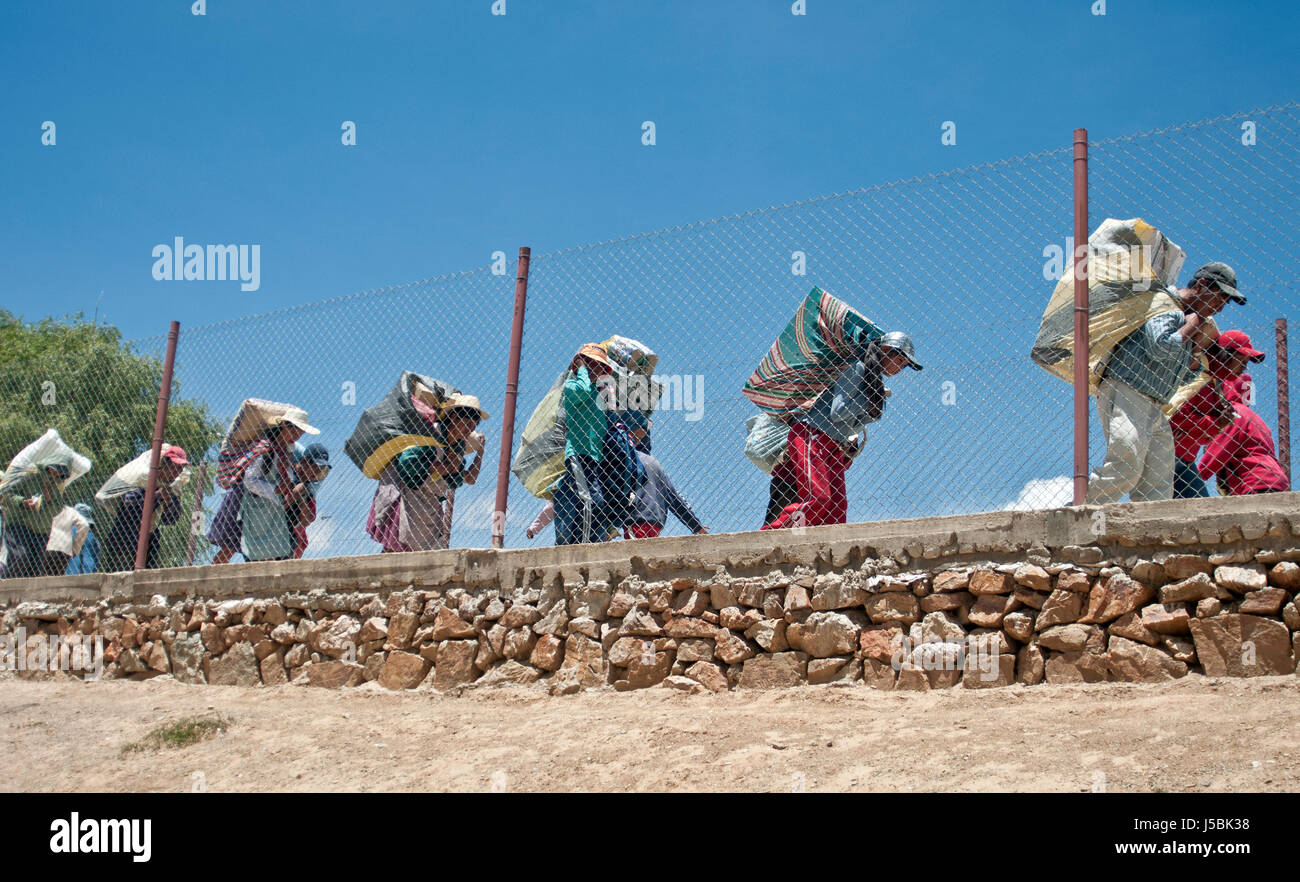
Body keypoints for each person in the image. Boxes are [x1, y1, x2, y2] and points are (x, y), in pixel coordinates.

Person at [1087, 262, 1244, 504]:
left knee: (1158, 480)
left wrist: (1194, 357)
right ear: (1202, 285)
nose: (1221, 306)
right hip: (1128, 390)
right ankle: (1080, 514)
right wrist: (1195, 322)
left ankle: (1148, 537)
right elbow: (1160, 347)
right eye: (1220, 297)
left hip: (1153, 401)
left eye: (1226, 301)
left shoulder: (1188, 318)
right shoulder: (1166, 304)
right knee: (1125, 463)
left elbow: (1180, 375)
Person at [763, 331, 921, 530]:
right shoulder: (857, 369)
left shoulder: (873, 380)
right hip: (812, 434)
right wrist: (870, 398)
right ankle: (773, 533)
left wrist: (873, 404)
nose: (901, 368)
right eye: (899, 360)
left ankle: (825, 553)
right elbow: (838, 411)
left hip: (834, 444)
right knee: (819, 498)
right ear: (885, 350)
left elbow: (853, 421)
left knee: (837, 509)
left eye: (904, 365)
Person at [367, 395, 486, 552]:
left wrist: (480, 453)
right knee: (395, 548)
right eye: (467, 423)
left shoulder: (456, 448)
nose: (469, 430)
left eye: (473, 426)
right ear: (454, 418)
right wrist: (443, 467)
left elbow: (469, 478)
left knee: (416, 552)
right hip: (403, 495)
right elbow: (407, 464)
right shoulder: (429, 434)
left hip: (426, 504)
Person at [1169, 330, 1262, 498]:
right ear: (1225, 355)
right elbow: (1176, 415)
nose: (1243, 368)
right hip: (1171, 455)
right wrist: (1216, 423)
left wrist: (1216, 424)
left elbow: (1244, 409)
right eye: (1241, 361)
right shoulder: (1200, 376)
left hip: (1186, 457)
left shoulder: (1220, 382)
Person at [553, 343, 614, 545]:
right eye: (589, 364)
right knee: (591, 501)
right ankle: (588, 544)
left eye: (598, 366)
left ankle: (581, 540)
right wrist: (580, 369)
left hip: (594, 456)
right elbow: (580, 389)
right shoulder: (572, 386)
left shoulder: (599, 394)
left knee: (584, 501)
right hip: (578, 453)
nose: (594, 369)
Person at [239, 409, 318, 562]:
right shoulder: (264, 449)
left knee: (282, 554)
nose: (297, 437)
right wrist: (275, 489)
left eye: (300, 434)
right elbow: (249, 480)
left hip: (277, 513)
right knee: (260, 557)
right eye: (295, 432)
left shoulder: (287, 451)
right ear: (284, 427)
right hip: (258, 512)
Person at [98, 446, 189, 572]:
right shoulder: (143, 478)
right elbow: (131, 508)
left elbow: (171, 520)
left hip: (150, 537)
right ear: (163, 464)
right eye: (174, 467)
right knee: (121, 574)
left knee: (147, 577)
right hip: (126, 534)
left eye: (180, 469)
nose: (176, 472)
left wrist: (168, 504)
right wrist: (157, 496)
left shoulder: (170, 487)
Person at [1198, 372, 1291, 496]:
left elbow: (1216, 453)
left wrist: (1194, 478)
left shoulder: (1233, 414)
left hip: (1256, 482)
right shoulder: (1254, 418)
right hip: (1275, 480)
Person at [623, 415, 708, 538]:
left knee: (636, 554)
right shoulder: (655, 464)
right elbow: (675, 498)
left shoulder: (629, 459)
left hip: (637, 518)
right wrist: (696, 526)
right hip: (656, 522)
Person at [0, 457, 71, 579]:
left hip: (41, 530)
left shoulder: (58, 484)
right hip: (20, 524)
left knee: (36, 567)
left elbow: (58, 510)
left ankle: (26, 596)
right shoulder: (29, 474)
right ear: (48, 467)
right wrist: (22, 502)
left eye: (58, 474)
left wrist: (49, 499)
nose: (54, 475)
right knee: (21, 557)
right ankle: (6, 588)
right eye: (53, 471)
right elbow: (7, 494)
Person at [288, 443, 332, 559]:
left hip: (293, 536)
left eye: (321, 468)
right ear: (303, 461)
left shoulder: (311, 485)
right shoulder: (287, 471)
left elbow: (306, 520)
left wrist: (304, 490)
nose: (317, 471)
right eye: (314, 466)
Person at [65, 503, 100, 575]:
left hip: (72, 571)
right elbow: (97, 551)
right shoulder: (93, 535)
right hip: (90, 571)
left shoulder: (73, 530)